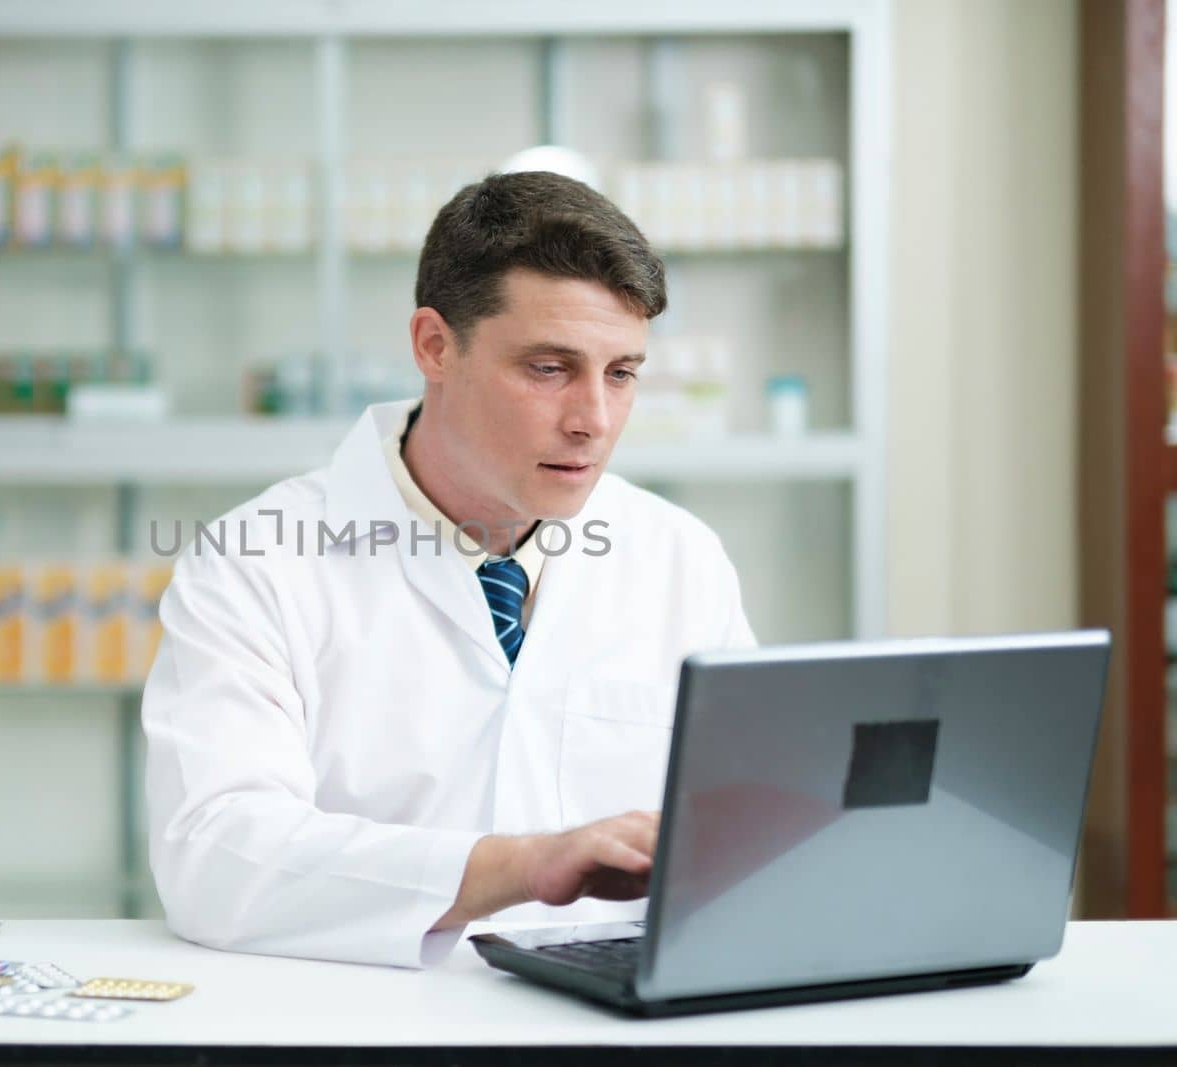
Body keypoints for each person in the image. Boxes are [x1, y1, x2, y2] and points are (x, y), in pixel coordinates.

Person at [142, 170, 756, 968]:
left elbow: (749, 820)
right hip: (360, 1033)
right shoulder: (257, 561)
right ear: (434, 345)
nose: (592, 421)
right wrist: (520, 866)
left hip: (611, 1032)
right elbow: (216, 856)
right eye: (548, 368)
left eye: (621, 373)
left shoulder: (679, 556)